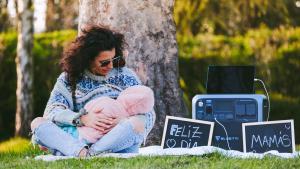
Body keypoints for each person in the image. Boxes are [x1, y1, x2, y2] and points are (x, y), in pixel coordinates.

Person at [30, 25, 156, 157]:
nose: (111, 66)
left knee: (137, 123)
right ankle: (83, 152)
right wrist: (82, 119)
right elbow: (52, 111)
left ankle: (87, 154)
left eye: (114, 59)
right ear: (88, 59)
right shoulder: (69, 79)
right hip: (81, 135)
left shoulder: (126, 75)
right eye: (104, 62)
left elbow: (148, 112)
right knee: (38, 123)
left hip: (117, 138)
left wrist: (124, 120)